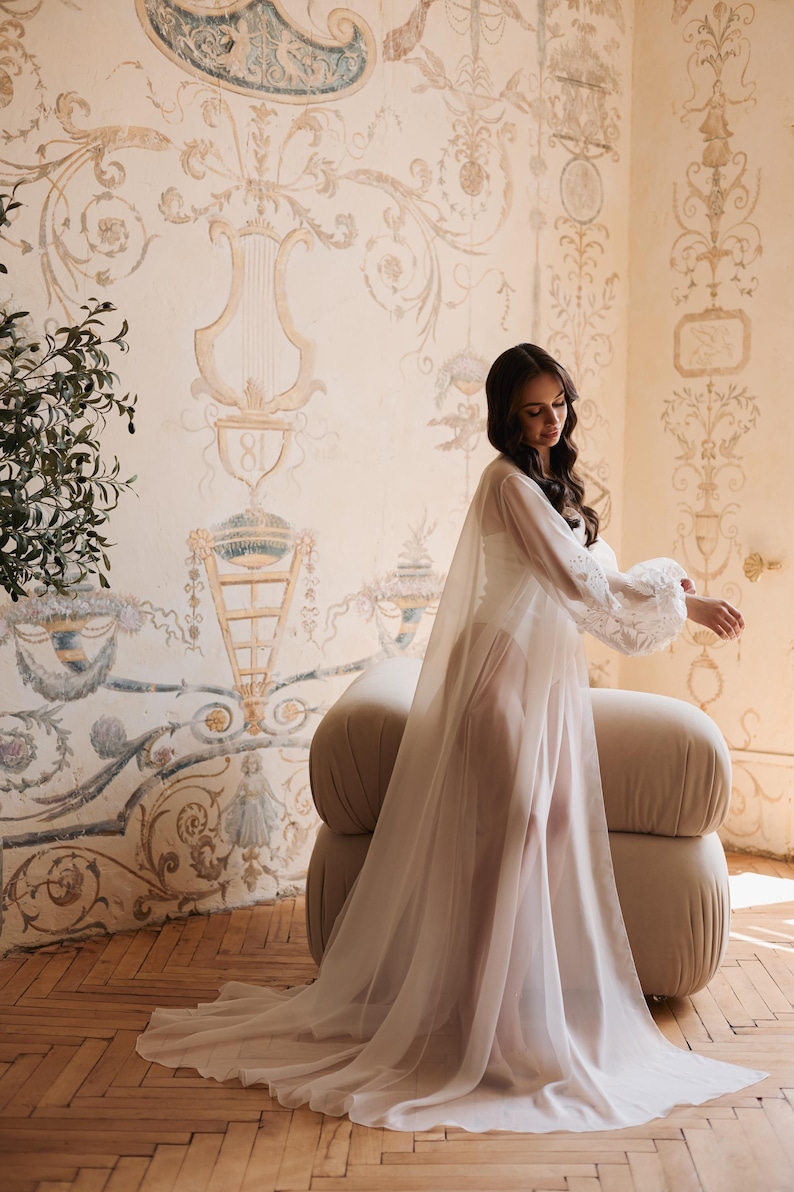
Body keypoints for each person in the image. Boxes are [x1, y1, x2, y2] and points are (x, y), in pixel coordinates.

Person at [137, 343, 765, 1133]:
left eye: (558, 405)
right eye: (533, 409)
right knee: (508, 837)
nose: (549, 420)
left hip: (540, 685)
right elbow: (579, 584)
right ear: (505, 414)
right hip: (493, 680)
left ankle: (514, 1009)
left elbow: (595, 572)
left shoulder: (548, 483)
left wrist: (683, 596)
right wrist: (691, 601)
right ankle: (481, 1028)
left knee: (555, 824)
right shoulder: (507, 483)